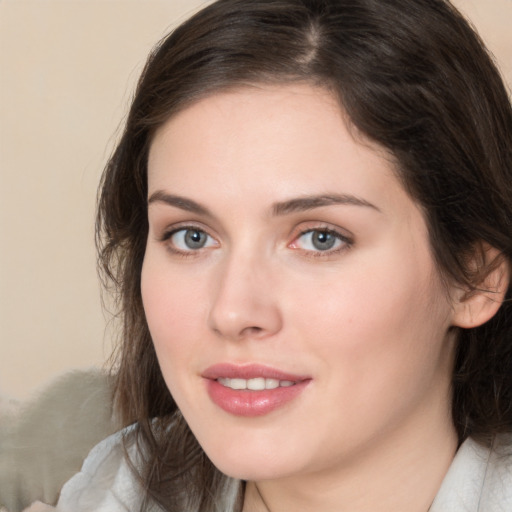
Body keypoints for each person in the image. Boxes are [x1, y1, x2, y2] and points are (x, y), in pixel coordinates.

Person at [54, 0, 512, 510]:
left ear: (475, 277)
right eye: (191, 236)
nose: (231, 311)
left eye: (321, 238)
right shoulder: (114, 487)